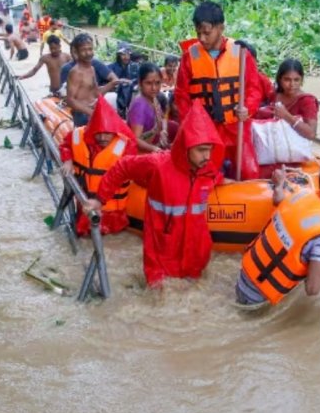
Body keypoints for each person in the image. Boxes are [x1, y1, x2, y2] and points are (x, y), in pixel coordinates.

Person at [85, 102, 225, 287]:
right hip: (161, 252)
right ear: (186, 146)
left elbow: (216, 178)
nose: (207, 156)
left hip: (195, 253)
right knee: (158, 299)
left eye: (209, 149)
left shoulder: (207, 170)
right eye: (201, 150)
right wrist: (100, 199)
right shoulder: (158, 164)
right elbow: (123, 166)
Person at [235, 162, 320, 306]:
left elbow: (278, 199)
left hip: (243, 277)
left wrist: (280, 183)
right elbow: (313, 288)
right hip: (257, 300)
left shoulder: (302, 195)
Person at [174, 1, 262, 179]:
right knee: (207, 175)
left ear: (220, 28)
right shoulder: (189, 57)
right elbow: (182, 96)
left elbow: (254, 89)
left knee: (249, 172)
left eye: (207, 33)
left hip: (236, 128)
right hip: (206, 131)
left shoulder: (241, 52)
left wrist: (248, 109)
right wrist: (190, 126)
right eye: (198, 33)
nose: (202, 38)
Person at [59, 99, 138, 235]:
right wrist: (68, 160)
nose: (102, 137)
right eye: (98, 132)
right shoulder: (78, 135)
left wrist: (100, 200)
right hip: (85, 206)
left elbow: (127, 173)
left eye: (107, 133)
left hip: (113, 212)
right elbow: (65, 146)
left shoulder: (126, 146)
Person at [65, 34, 127, 127]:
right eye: (84, 50)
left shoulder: (92, 69)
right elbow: (70, 100)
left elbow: (96, 93)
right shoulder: (76, 72)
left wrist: (112, 84)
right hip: (82, 116)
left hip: (94, 110)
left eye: (90, 49)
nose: (88, 53)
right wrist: (90, 112)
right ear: (76, 52)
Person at [256, 59, 318, 140]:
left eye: (296, 80)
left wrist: (286, 116)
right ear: (280, 79)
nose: (292, 84)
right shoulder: (274, 95)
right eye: (287, 79)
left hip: (294, 149)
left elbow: (311, 134)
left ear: (301, 80)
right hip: (271, 144)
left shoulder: (307, 101)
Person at [127, 63, 176, 153]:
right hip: (142, 154)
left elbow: (163, 117)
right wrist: (155, 149)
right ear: (140, 83)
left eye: (157, 83)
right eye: (148, 83)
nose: (154, 88)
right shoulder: (140, 105)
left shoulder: (153, 98)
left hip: (155, 145)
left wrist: (164, 130)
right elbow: (135, 139)